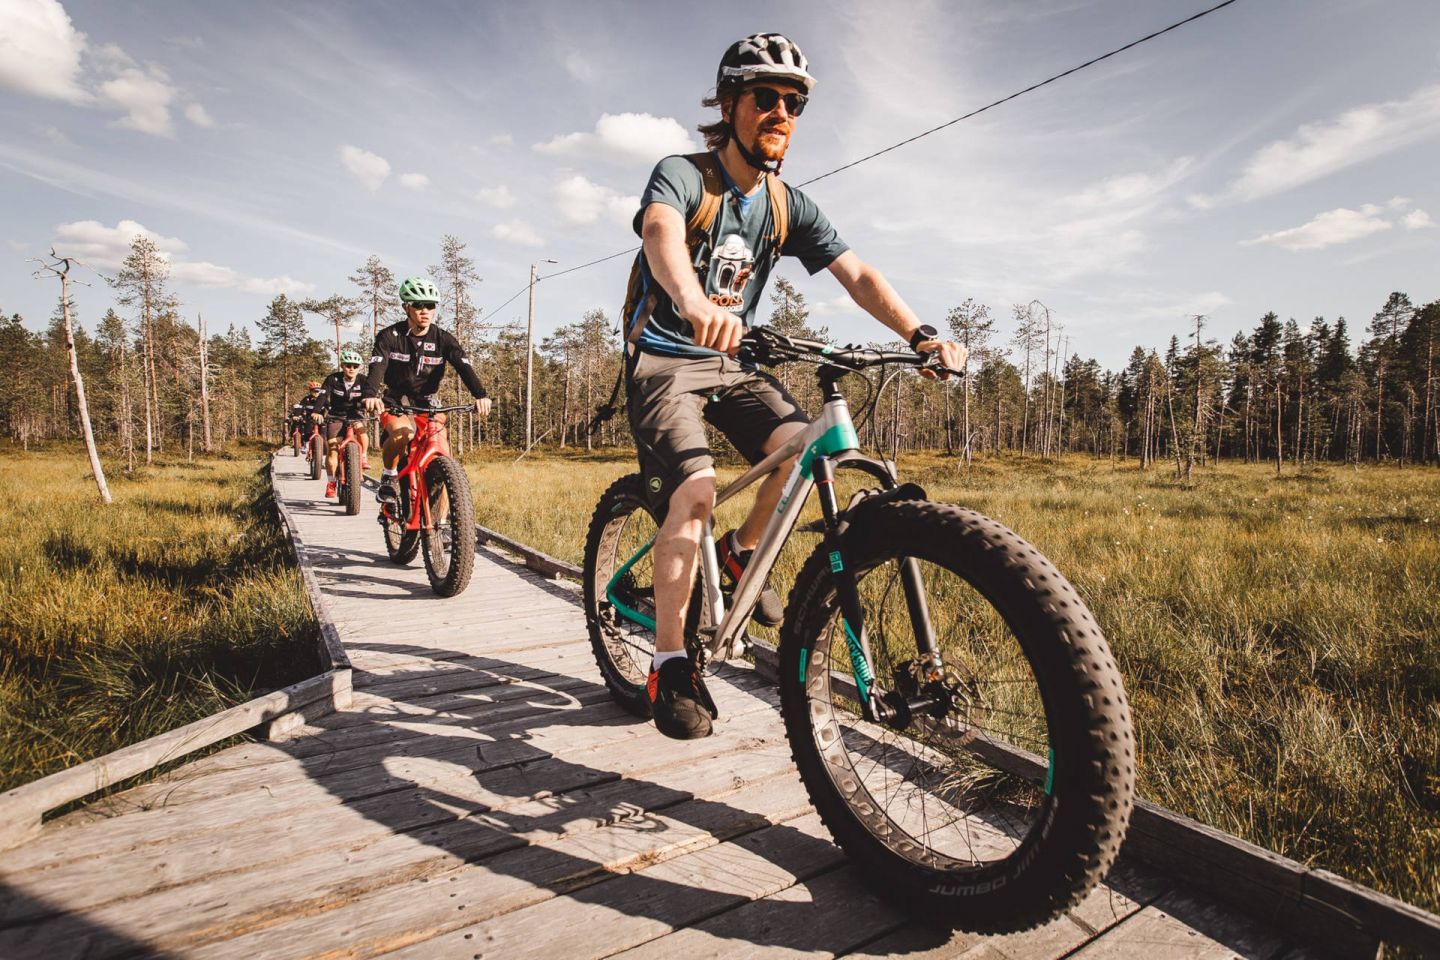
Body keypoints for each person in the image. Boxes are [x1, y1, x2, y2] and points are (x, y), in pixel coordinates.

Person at [624, 33, 967, 740]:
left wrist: (921, 335)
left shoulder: (787, 205)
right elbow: (660, 234)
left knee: (800, 452)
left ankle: (739, 553)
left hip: (733, 365)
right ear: (729, 104)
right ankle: (669, 663)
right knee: (696, 491)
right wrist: (691, 302)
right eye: (765, 97)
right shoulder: (685, 176)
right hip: (665, 360)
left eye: (795, 102)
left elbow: (859, 274)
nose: (782, 112)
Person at [360, 276, 491, 506]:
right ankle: (389, 477)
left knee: (442, 453)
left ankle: (437, 527)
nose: (425, 311)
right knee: (404, 434)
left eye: (430, 305)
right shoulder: (390, 337)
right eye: (418, 305)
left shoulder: (443, 339)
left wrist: (480, 395)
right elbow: (377, 366)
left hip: (428, 402)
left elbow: (464, 366)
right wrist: (370, 393)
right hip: (396, 400)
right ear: (406, 307)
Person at [318, 350, 369, 498]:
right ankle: (331, 482)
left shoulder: (363, 380)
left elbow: (370, 396)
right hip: (336, 415)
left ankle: (364, 456)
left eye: (355, 366)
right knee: (333, 448)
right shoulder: (333, 379)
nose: (351, 368)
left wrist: (375, 408)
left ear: (359, 367)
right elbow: (322, 396)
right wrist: (316, 411)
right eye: (348, 365)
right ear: (342, 366)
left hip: (355, 414)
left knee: (362, 430)